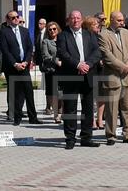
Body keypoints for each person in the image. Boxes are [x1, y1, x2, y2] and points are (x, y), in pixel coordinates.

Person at [57, 10, 102, 149]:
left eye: (78, 18)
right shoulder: (63, 36)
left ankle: (86, 137)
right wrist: (78, 64)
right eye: (73, 18)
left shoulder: (90, 34)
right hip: (71, 76)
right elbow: (63, 53)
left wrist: (88, 64)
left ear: (81, 20)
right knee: (70, 109)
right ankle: (70, 139)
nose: (75, 20)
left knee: (88, 109)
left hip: (88, 75)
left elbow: (97, 51)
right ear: (68, 20)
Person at [98, 11, 128, 145]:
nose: (122, 23)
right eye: (119, 20)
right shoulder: (103, 34)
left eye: (123, 20)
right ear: (112, 20)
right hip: (113, 76)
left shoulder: (127, 33)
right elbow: (106, 55)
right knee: (112, 108)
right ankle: (111, 135)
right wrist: (122, 66)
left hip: (127, 76)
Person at [0, 11, 41, 126]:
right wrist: (15, 64)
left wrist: (26, 62)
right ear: (7, 19)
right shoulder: (4, 32)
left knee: (29, 92)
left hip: (24, 65)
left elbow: (29, 48)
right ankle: (17, 117)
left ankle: (33, 117)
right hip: (12, 67)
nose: (16, 19)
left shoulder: (24, 31)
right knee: (16, 93)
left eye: (17, 17)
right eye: (13, 18)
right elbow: (5, 50)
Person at [82, 16, 105, 129]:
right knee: (90, 97)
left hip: (101, 68)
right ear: (88, 26)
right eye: (95, 24)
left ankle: (100, 119)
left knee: (101, 95)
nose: (98, 25)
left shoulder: (100, 36)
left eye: (98, 24)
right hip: (90, 68)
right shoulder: (85, 37)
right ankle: (91, 120)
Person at [41, 21, 63, 123]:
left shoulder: (63, 40)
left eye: (54, 29)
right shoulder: (46, 41)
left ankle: (61, 111)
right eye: (50, 29)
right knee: (55, 93)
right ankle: (56, 115)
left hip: (63, 69)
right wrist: (56, 61)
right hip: (52, 70)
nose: (52, 31)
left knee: (62, 93)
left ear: (58, 29)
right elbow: (46, 56)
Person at [33, 18, 49, 112]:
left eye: (41, 23)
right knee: (45, 82)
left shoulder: (48, 33)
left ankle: (49, 105)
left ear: (45, 24)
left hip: (48, 61)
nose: (39, 25)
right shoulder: (38, 34)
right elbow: (37, 47)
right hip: (41, 61)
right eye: (39, 23)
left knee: (48, 84)